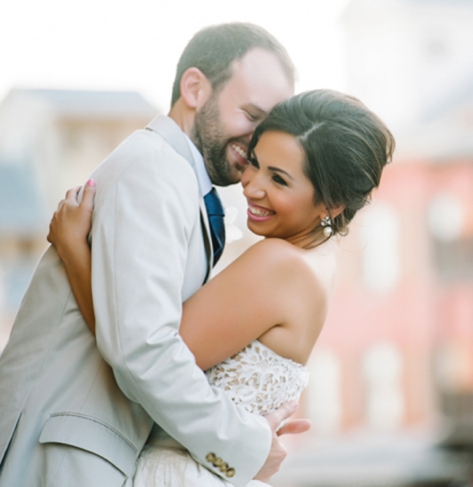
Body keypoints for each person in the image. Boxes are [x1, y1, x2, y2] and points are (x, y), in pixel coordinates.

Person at [0, 23, 302, 487]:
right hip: (62, 457)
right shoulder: (154, 169)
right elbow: (142, 347)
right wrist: (242, 445)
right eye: (250, 114)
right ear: (195, 88)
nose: (259, 141)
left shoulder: (188, 186)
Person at [48, 89, 395, 485]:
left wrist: (74, 250)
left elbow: (139, 351)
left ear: (330, 204)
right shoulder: (318, 262)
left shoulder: (279, 263)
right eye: (255, 163)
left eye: (278, 179)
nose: (251, 186)